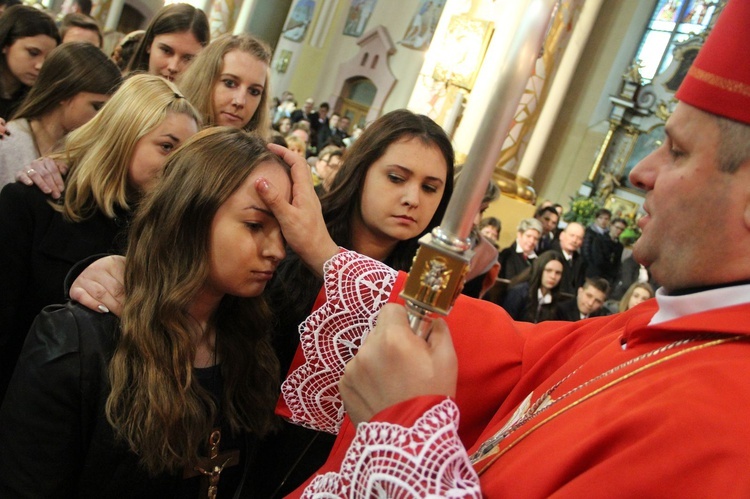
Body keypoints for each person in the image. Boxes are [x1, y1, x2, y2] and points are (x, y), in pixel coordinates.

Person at [246, 1, 750, 495]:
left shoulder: (728, 435)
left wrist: (404, 438)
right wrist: (324, 253)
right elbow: (505, 350)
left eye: (678, 151)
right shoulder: (651, 328)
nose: (641, 172)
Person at [65, 109, 455, 497]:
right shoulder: (284, 252)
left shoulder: (423, 288)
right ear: (362, 170)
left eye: (430, 188)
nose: (411, 199)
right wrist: (112, 270)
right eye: (396, 177)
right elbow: (191, 291)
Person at [0, 127, 290, 497]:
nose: (277, 251)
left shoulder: (249, 337)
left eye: (283, 229)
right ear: (189, 215)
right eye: (254, 225)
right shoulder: (76, 341)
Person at [0, 74, 201, 401]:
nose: (179, 167)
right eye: (166, 147)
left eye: (187, 155)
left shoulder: (168, 237)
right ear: (123, 136)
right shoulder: (33, 203)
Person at [0, 42, 121, 187]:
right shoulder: (6, 143)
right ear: (64, 93)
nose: (103, 120)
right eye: (97, 107)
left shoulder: (93, 158)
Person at [178, 33, 271, 137]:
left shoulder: (260, 152)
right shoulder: (166, 136)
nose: (240, 101)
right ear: (204, 81)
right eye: (229, 83)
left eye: (254, 91)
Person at [0, 5, 60, 120]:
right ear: (6, 45)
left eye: (48, 59)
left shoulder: (39, 98)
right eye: (33, 53)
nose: (40, 66)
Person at [126, 3, 209, 81]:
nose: (173, 67)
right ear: (149, 44)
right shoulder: (117, 93)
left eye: (188, 58)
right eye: (166, 51)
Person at [501, 250, 566, 323]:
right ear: (539, 269)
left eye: (558, 273)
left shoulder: (556, 301)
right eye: (548, 270)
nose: (553, 276)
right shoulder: (519, 293)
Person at [551, 221, 586, 296]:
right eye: (572, 235)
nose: (574, 240)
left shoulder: (580, 260)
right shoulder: (550, 255)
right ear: (562, 235)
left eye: (579, 238)